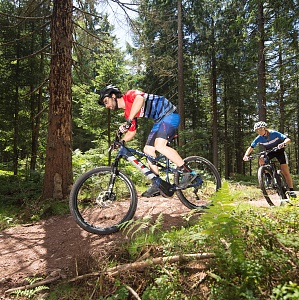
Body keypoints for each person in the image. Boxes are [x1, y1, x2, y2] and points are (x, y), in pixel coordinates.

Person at [98, 84, 196, 197]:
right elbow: (132, 132)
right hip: (159, 121)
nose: (107, 106)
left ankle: (188, 172)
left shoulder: (129, 95)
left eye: (106, 101)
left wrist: (129, 120)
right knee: (148, 150)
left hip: (169, 114)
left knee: (159, 146)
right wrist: (121, 142)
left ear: (113, 96)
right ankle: (157, 183)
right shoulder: (127, 113)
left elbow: (140, 99)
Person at [243, 121, 296, 198]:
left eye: (260, 129)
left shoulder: (274, 133)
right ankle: (268, 176)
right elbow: (251, 147)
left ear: (265, 128)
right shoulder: (259, 138)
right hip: (270, 152)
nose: (259, 131)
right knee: (261, 159)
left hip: (280, 151)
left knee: (285, 171)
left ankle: (291, 191)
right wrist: (246, 155)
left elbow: (288, 139)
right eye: (257, 130)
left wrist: (283, 143)